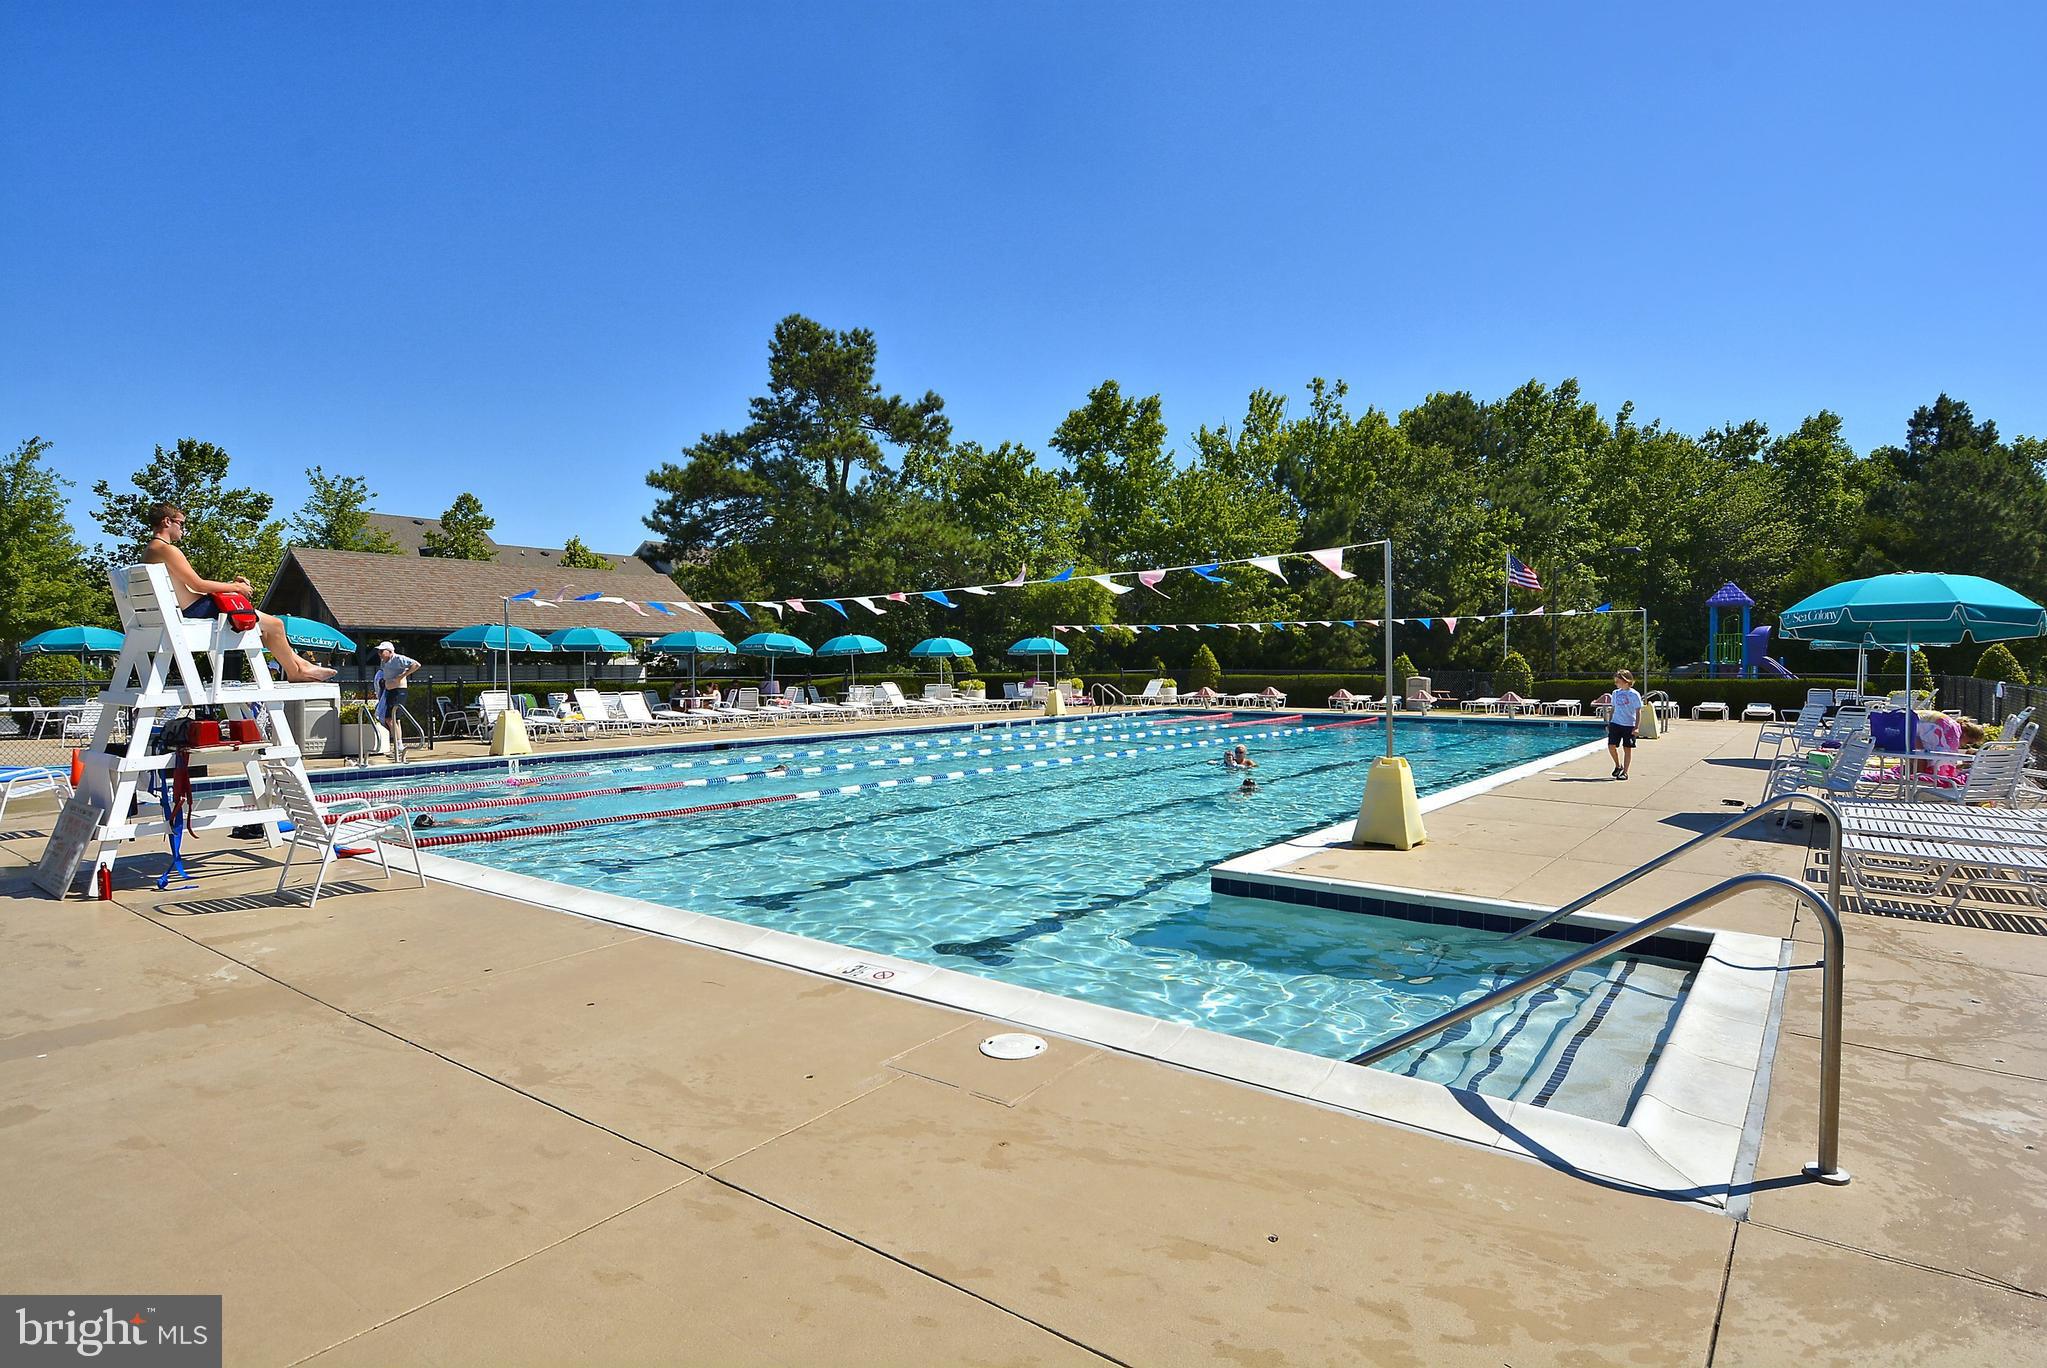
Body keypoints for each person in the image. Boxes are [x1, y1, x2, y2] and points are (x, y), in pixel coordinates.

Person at [139, 503, 337, 683]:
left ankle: (301, 667)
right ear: (167, 521)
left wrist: (230, 585)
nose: (183, 529)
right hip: (195, 611)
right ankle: (296, 672)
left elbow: (189, 587)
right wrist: (236, 588)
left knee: (267, 630)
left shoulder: (149, 550)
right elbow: (198, 585)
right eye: (181, 524)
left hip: (187, 610)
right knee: (276, 625)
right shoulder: (167, 549)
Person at [1607, 669, 1644, 780]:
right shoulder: (1615, 693)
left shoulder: (1634, 694)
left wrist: (1636, 727)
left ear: (1626, 681)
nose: (1616, 684)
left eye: (1618, 681)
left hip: (1629, 725)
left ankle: (1625, 772)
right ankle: (1618, 766)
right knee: (1611, 746)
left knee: (1627, 748)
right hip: (1616, 723)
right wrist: (1610, 722)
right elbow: (1613, 708)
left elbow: (1638, 711)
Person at [372, 641, 420, 728]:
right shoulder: (383, 662)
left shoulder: (398, 658)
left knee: (391, 719)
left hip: (398, 691)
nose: (379, 654)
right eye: (379, 651)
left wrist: (402, 676)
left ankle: (398, 741)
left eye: (382, 651)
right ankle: (398, 741)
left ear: (389, 651)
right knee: (392, 719)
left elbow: (416, 664)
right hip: (389, 691)